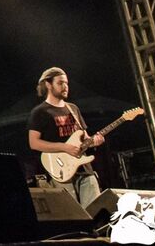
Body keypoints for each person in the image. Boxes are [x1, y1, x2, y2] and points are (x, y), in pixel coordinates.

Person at [28, 67, 104, 207]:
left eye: (66, 83)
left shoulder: (73, 108)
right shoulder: (39, 112)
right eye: (60, 83)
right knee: (72, 213)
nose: (65, 86)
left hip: (84, 169)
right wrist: (64, 147)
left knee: (96, 211)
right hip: (61, 171)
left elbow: (85, 137)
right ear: (48, 84)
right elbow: (34, 143)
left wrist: (94, 141)